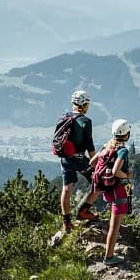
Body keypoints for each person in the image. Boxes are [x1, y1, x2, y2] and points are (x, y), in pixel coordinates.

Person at [56, 91, 99, 235]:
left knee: (66, 189)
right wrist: (96, 164)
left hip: (65, 157)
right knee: (99, 182)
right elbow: (90, 146)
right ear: (85, 105)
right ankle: (83, 212)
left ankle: (66, 223)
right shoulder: (86, 122)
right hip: (80, 159)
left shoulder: (64, 117)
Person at [98, 119, 136, 266]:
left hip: (109, 190)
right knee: (114, 227)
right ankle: (109, 257)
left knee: (114, 224)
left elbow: (93, 162)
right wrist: (127, 176)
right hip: (118, 191)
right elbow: (116, 171)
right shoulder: (123, 150)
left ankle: (109, 254)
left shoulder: (107, 146)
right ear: (126, 134)